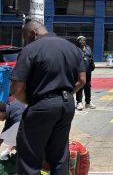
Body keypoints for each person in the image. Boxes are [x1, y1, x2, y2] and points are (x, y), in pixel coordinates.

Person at [10, 20, 86, 174]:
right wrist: (65, 95)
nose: (28, 42)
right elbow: (82, 80)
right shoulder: (72, 48)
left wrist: (32, 102)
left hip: (42, 105)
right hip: (67, 105)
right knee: (59, 155)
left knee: (29, 156)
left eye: (27, 38)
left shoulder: (31, 49)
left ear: (33, 33)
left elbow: (16, 89)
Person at [76, 35, 96, 110]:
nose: (82, 41)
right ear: (78, 41)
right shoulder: (76, 49)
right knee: (80, 86)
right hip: (79, 72)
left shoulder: (88, 48)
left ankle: (88, 102)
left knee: (88, 87)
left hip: (88, 71)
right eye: (80, 40)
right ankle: (79, 102)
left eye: (84, 40)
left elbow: (91, 58)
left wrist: (92, 65)